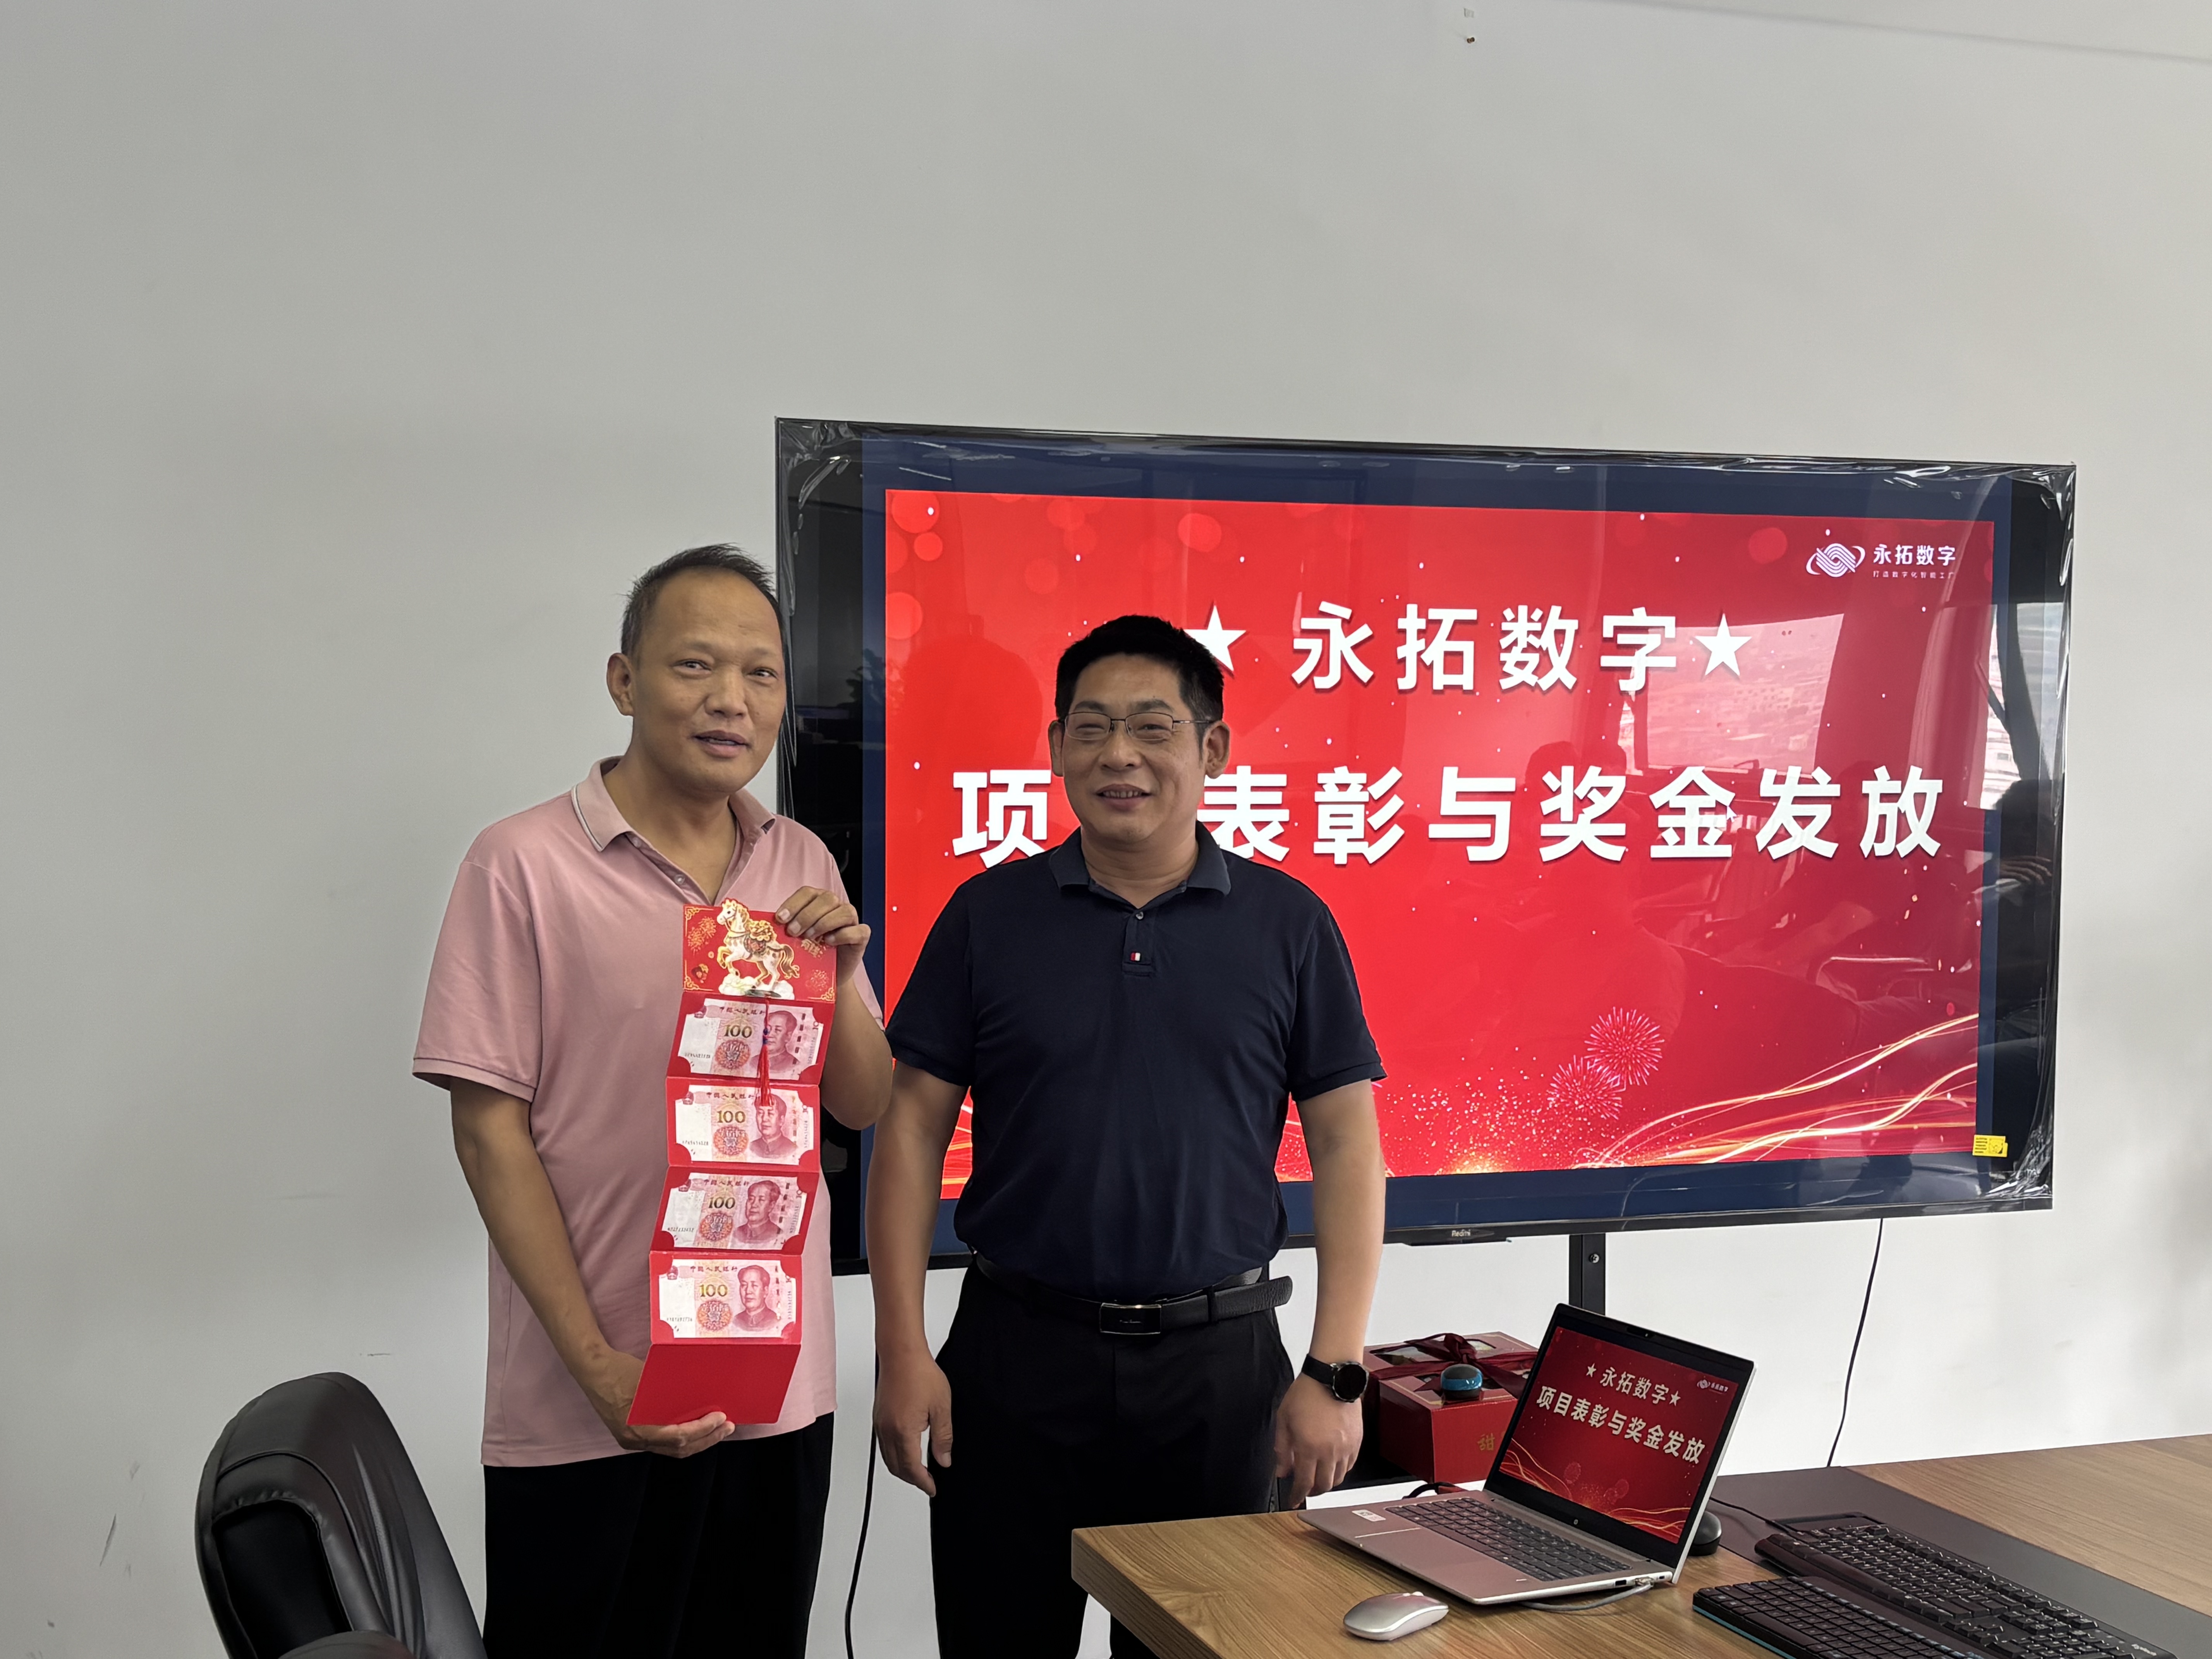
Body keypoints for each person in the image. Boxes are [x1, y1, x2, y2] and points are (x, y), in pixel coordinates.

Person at [869, 614, 1389, 1659]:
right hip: (1014, 1358)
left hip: (1219, 1372)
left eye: (1153, 727)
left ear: (1213, 748)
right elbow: (912, 1126)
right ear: (1057, 745)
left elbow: (1346, 1145)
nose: (1120, 756)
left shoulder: (1288, 924)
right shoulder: (987, 914)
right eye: (1092, 728)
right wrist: (903, 1351)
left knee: (1197, 1646)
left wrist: (1335, 1370)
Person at [413, 545, 893, 1659]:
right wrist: (599, 1368)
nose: (732, 699)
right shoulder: (521, 863)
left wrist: (845, 973)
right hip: (591, 1397)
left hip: (772, 1389)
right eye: (695, 664)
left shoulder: (799, 859)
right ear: (624, 681)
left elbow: (862, 1101)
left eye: (761, 673)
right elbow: (489, 1134)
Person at [734, 1178, 789, 1249]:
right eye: (751, 1199)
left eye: (761, 1200)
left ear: (771, 1206)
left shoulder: (778, 1235)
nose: (754, 1205)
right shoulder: (737, 1232)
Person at [750, 1091, 802, 1163]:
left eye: (771, 1113)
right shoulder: (751, 1147)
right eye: (760, 1113)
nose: (764, 1119)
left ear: (781, 1120)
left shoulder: (791, 1149)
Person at [733, 1264, 783, 1333]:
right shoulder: (736, 1321)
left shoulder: (775, 1321)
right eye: (744, 1285)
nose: (748, 1291)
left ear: (765, 1291)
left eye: (754, 1286)